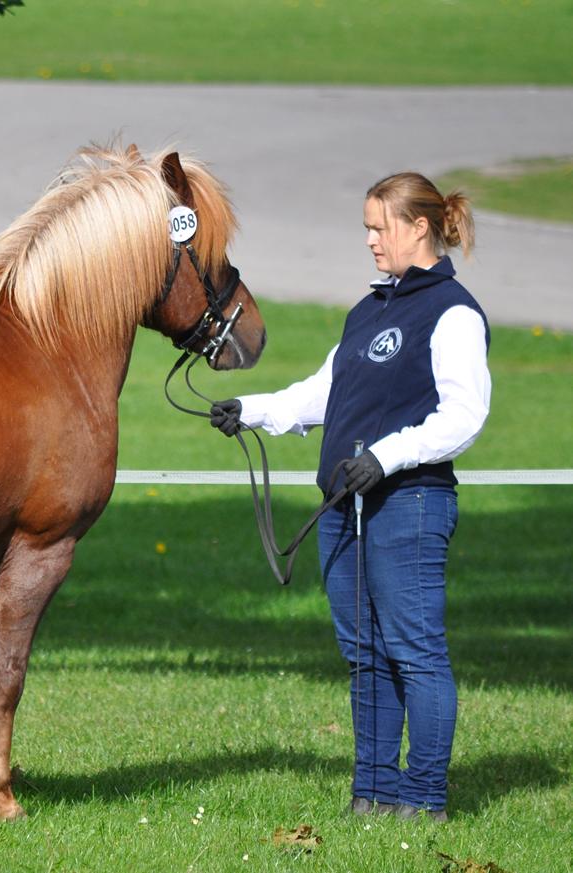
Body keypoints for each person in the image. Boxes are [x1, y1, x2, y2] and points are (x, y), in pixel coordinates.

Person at [209, 172, 491, 822]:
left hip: (409, 503)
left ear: (419, 228)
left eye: (378, 227)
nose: (369, 240)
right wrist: (249, 409)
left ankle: (423, 797)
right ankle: (373, 792)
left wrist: (385, 456)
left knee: (416, 652)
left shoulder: (451, 312)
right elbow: (323, 392)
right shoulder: (371, 309)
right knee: (364, 654)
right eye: (366, 227)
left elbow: (465, 414)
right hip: (345, 506)